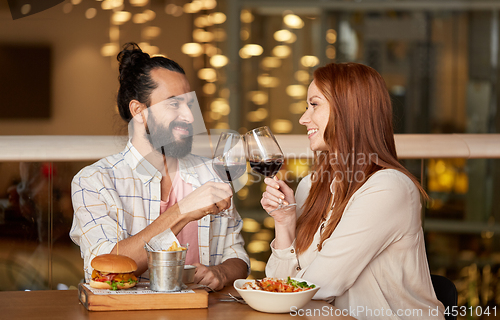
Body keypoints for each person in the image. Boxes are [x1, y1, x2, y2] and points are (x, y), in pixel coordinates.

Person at [261, 63, 445, 319]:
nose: (304, 118)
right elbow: (279, 291)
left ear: (348, 111)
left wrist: (284, 288)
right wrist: (284, 222)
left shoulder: (388, 188)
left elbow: (319, 286)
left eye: (314, 105)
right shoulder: (311, 186)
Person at [70, 43, 249, 290]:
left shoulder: (212, 173)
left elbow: (238, 256)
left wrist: (221, 272)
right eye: (174, 104)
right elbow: (104, 270)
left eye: (189, 104)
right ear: (139, 111)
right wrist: (182, 211)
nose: (189, 116)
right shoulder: (94, 181)